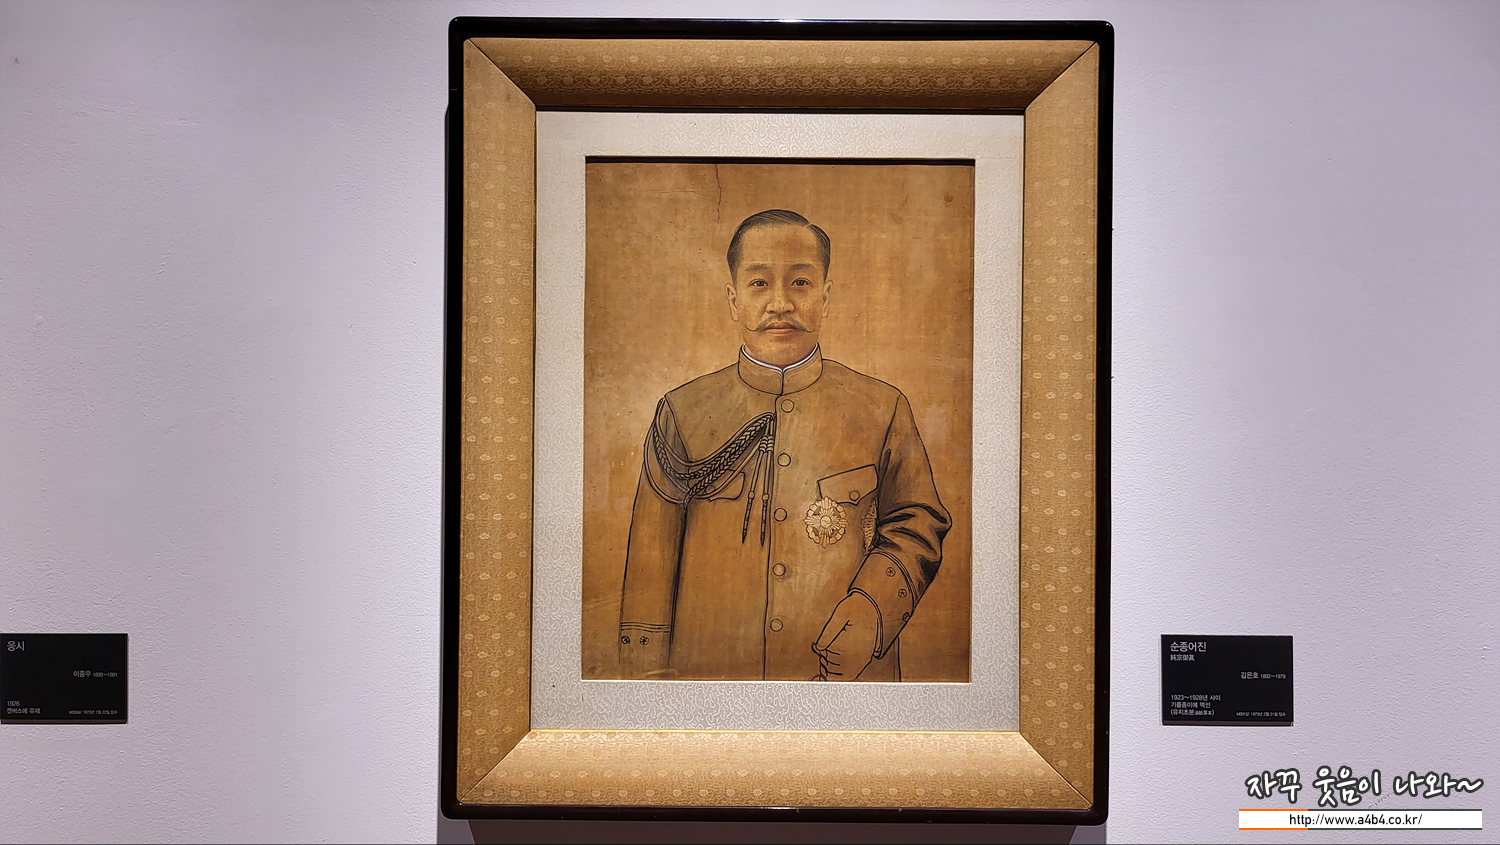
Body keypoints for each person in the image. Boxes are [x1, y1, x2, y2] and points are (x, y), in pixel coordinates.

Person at [618, 209, 950, 682]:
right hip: (711, 683)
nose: (780, 303)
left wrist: (873, 608)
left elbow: (918, 522)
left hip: (847, 682)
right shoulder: (682, 412)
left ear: (825, 297)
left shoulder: (882, 408)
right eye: (759, 283)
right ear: (733, 299)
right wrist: (645, 688)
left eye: (800, 283)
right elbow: (649, 571)